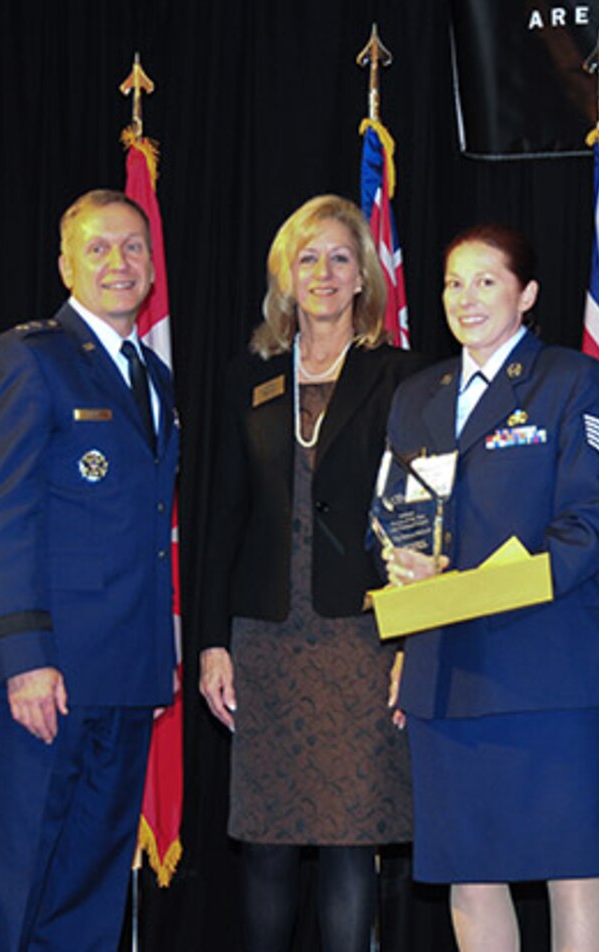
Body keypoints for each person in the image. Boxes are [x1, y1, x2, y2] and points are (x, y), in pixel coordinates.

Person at [383, 224, 599, 952]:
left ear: (526, 295)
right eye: (454, 282)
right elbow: (401, 523)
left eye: (486, 281)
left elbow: (589, 527)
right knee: (471, 869)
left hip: (547, 664)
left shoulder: (572, 381)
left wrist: (464, 586)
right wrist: (407, 590)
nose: (466, 298)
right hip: (447, 671)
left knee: (572, 865)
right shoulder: (416, 396)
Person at [198, 194, 421, 952]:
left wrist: (412, 644)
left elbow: (419, 518)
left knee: (351, 841)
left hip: (362, 640)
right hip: (264, 639)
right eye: (307, 258)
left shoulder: (402, 376)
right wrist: (212, 642)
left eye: (338, 258)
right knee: (265, 841)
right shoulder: (247, 378)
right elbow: (219, 518)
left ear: (362, 277)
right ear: (284, 280)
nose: (322, 273)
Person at [0, 190, 179, 951]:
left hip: (125, 675)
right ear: (65, 263)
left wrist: (158, 662)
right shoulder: (29, 357)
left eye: (132, 248)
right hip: (46, 677)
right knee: (14, 883)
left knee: (89, 893)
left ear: (152, 265)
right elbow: (0, 512)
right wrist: (23, 659)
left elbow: (149, 534)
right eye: (98, 249)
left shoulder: (152, 376)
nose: (118, 263)